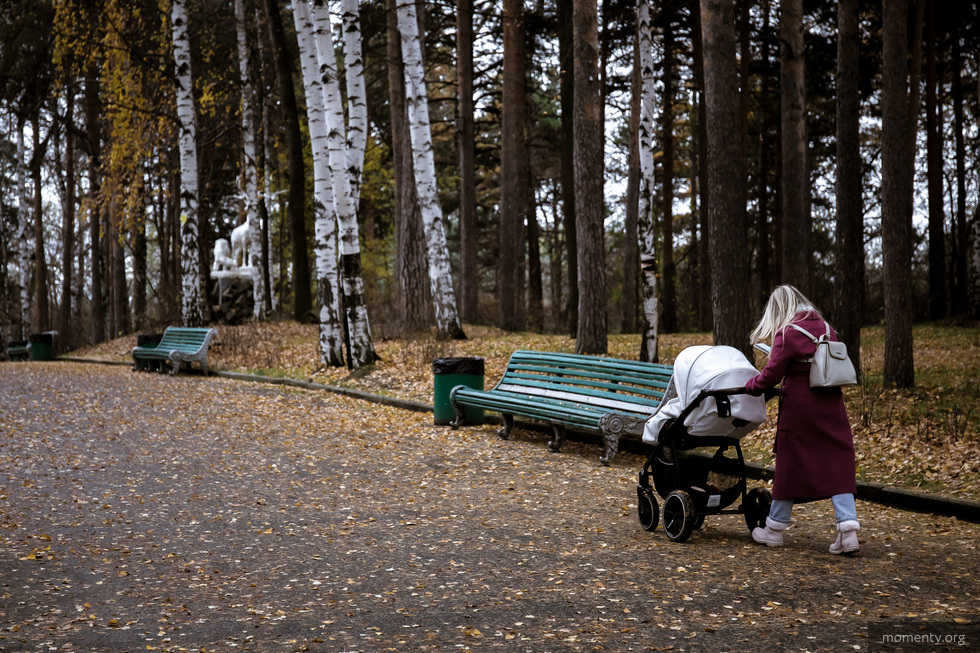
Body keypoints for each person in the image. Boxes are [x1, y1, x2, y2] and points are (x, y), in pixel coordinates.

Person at [743, 285, 860, 554]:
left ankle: (774, 530)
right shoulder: (827, 328)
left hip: (800, 405)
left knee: (790, 463)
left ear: (779, 309)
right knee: (838, 461)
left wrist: (750, 386)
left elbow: (771, 375)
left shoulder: (787, 333)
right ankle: (848, 532)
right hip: (831, 401)